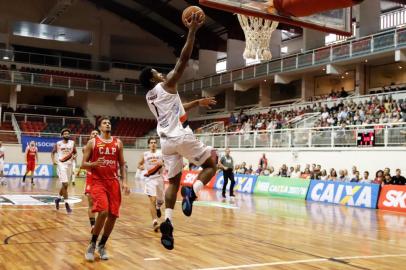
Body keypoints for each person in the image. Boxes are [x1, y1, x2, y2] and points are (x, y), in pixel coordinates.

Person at [140, 13, 216, 250]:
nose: (160, 73)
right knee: (212, 163)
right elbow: (183, 60)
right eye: (156, 72)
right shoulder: (166, 84)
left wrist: (196, 104)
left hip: (166, 142)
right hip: (180, 136)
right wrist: (192, 30)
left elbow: (178, 113)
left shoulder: (150, 97)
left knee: (172, 181)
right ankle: (193, 190)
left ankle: (169, 222)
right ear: (153, 77)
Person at [82, 117, 130, 261]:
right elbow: (83, 164)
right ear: (100, 127)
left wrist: (125, 181)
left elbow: (122, 164)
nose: (108, 124)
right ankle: (92, 244)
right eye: (104, 123)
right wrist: (94, 163)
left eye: (109, 123)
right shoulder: (93, 142)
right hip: (98, 182)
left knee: (113, 215)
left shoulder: (118, 143)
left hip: (113, 182)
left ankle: (102, 245)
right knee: (103, 212)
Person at [138, 137, 164, 232]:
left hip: (159, 178)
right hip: (150, 179)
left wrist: (163, 164)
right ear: (148, 144)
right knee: (152, 200)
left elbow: (165, 163)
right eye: (151, 142)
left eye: (154, 142)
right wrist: (141, 167)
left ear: (156, 144)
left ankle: (158, 207)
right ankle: (155, 222)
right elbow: (139, 164)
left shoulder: (161, 153)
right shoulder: (145, 154)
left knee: (160, 200)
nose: (153, 144)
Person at [51, 128, 77, 214]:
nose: (67, 135)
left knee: (65, 186)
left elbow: (75, 152)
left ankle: (58, 199)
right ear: (62, 135)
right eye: (65, 134)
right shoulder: (58, 144)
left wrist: (74, 156)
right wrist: (53, 160)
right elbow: (53, 152)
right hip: (61, 164)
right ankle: (67, 204)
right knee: (65, 184)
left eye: (68, 134)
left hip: (69, 164)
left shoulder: (72, 143)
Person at [82, 130, 100, 229]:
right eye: (93, 133)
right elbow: (84, 164)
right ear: (90, 136)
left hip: (102, 178)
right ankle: (93, 225)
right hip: (90, 177)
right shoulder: (86, 148)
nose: (95, 135)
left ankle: (100, 221)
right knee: (91, 202)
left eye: (97, 133)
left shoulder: (104, 147)